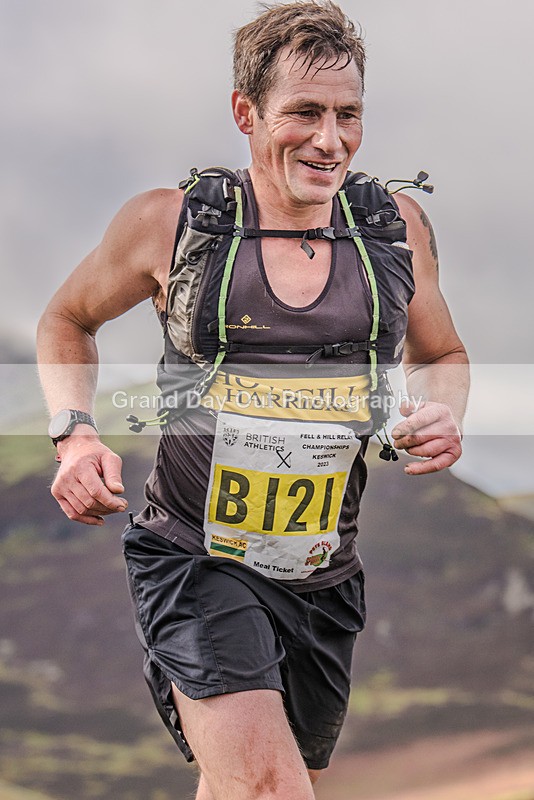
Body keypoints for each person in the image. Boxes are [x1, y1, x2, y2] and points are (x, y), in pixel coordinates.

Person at [37, 2, 469, 798]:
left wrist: (440, 411)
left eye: (348, 115)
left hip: (321, 574)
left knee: (246, 784)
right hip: (195, 559)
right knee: (270, 790)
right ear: (246, 112)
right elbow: (66, 320)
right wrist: (75, 434)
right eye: (303, 112)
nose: (329, 140)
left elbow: (440, 353)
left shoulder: (395, 229)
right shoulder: (171, 226)